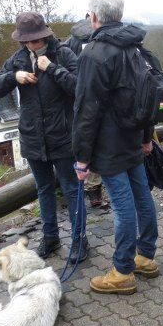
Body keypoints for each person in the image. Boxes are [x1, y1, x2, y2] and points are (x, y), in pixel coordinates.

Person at [72, 0, 159, 295]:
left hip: (109, 144)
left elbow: (86, 110)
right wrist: (146, 137)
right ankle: (145, 257)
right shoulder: (134, 47)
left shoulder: (93, 54)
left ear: (94, 17)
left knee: (123, 207)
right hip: (133, 137)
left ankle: (122, 271)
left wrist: (82, 158)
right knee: (142, 197)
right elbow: (148, 96)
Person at [0, 12, 86, 261]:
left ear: (46, 35)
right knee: (44, 189)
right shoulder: (18, 59)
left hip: (62, 137)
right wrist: (14, 77)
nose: (33, 44)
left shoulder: (63, 54)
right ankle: (51, 238)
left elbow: (80, 88)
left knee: (71, 189)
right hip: (32, 138)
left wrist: (52, 69)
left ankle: (79, 240)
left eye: (37, 40)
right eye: (28, 41)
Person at [65, 14, 105, 208]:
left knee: (85, 140)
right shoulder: (100, 39)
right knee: (97, 142)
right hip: (98, 98)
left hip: (78, 99)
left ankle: (89, 190)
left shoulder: (71, 40)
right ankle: (95, 192)